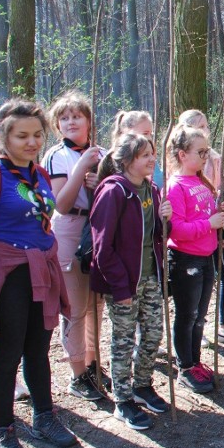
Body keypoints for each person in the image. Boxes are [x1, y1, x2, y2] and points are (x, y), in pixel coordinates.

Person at [0, 99, 77, 448]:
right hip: (9, 274)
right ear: (3, 136)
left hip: (43, 272)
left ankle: (44, 417)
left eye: (37, 134)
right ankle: (4, 431)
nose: (31, 142)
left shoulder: (39, 174)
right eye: (22, 135)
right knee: (7, 354)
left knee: (38, 349)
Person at [90, 132, 173, 430]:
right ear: (126, 161)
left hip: (150, 275)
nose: (152, 159)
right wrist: (120, 287)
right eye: (144, 155)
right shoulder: (114, 192)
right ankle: (122, 400)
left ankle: (142, 385)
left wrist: (167, 220)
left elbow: (160, 235)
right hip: (123, 281)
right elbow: (102, 247)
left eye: (152, 153)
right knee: (123, 340)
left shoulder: (151, 189)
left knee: (153, 333)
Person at [42, 91, 109, 401]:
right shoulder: (57, 156)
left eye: (76, 116)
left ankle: (95, 365)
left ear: (88, 121)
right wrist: (82, 167)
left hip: (98, 229)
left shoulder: (103, 153)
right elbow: (62, 203)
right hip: (70, 229)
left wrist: (101, 183)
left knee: (97, 303)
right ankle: (78, 372)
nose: (70, 122)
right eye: (64, 118)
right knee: (76, 307)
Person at [165, 125, 224, 394]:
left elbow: (205, 214)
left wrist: (219, 211)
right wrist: (209, 223)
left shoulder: (201, 181)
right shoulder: (176, 186)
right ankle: (185, 367)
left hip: (206, 257)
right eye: (200, 152)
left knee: (201, 315)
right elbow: (176, 229)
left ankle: (195, 361)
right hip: (185, 259)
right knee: (187, 314)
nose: (205, 156)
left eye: (206, 151)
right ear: (182, 155)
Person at [177, 109, 223, 190]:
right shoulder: (176, 157)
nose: (207, 130)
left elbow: (218, 187)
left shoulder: (215, 158)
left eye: (207, 126)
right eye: (201, 126)